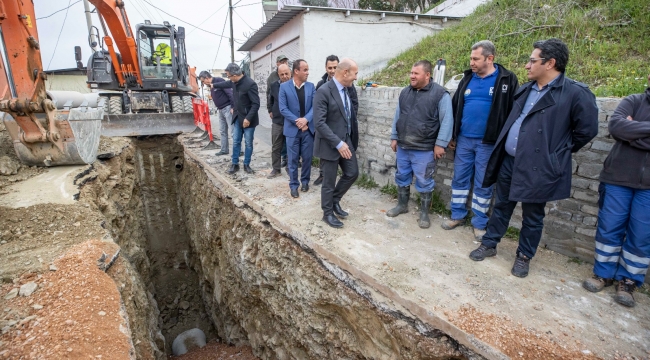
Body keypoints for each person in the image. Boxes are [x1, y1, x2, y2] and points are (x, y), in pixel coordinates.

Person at [468, 38, 598, 278]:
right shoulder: (526, 89)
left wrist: (555, 153)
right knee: (501, 206)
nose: (527, 66)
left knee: (533, 216)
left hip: (539, 167)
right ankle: (490, 243)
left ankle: (524, 256)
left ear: (550, 63)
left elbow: (587, 131)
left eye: (532, 60)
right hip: (510, 161)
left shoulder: (575, 94)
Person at [582, 74, 650, 308]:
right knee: (609, 227)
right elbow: (617, 127)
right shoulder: (634, 100)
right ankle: (603, 273)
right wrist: (631, 131)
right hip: (618, 178)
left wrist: (634, 134)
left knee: (641, 236)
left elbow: (627, 132)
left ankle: (628, 281)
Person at [442, 40, 519, 240]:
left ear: (490, 58)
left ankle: (479, 222)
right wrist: (453, 135)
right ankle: (457, 215)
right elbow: (455, 106)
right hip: (464, 141)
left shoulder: (506, 79)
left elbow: (514, 111)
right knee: (459, 178)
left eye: (476, 59)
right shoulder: (467, 79)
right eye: (471, 58)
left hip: (489, 143)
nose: (471, 62)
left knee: (483, 182)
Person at [386, 60, 453, 229]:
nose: (412, 76)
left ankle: (424, 213)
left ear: (427, 75)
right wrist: (395, 137)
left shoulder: (440, 94)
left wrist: (440, 144)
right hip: (403, 146)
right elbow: (398, 116)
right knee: (402, 176)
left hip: (424, 148)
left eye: (416, 73)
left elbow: (447, 121)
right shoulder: (405, 92)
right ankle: (402, 205)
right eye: (411, 73)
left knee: (424, 181)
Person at [313, 58, 359, 228]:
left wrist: (348, 139)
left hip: (346, 141)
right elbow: (319, 123)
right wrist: (338, 143)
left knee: (352, 173)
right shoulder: (323, 91)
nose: (356, 77)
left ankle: (334, 200)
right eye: (355, 73)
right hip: (330, 144)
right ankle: (327, 213)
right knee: (329, 181)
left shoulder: (347, 89)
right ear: (345, 72)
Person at [212, 63, 260, 174]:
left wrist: (248, 119)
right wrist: (214, 85)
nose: (228, 78)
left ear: (234, 75)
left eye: (228, 75)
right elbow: (225, 84)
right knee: (236, 141)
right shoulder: (234, 82)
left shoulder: (250, 84)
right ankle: (235, 164)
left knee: (248, 143)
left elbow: (256, 104)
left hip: (249, 120)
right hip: (238, 118)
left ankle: (246, 164)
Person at [279, 59, 316, 197]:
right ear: (296, 71)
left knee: (307, 158)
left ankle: (305, 181)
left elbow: (315, 106)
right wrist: (298, 121)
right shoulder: (284, 87)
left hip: (307, 129)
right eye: (305, 70)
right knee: (292, 159)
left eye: (307, 69)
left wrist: (306, 120)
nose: (307, 72)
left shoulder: (311, 87)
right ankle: (293, 185)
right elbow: (283, 108)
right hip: (292, 130)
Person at [198, 71, 235, 156]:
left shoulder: (219, 81)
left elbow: (230, 93)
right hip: (221, 110)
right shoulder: (211, 86)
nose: (203, 83)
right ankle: (224, 149)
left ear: (207, 78)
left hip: (228, 108)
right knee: (222, 131)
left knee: (233, 130)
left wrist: (233, 107)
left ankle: (239, 150)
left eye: (203, 81)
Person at [267, 64, 292, 178]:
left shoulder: (294, 85)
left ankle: (290, 168)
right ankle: (276, 169)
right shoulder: (274, 86)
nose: (284, 76)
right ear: (278, 75)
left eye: (286, 73)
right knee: (276, 145)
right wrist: (270, 110)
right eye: (282, 74)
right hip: (277, 120)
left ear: (290, 73)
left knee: (291, 145)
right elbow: (270, 99)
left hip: (291, 121)